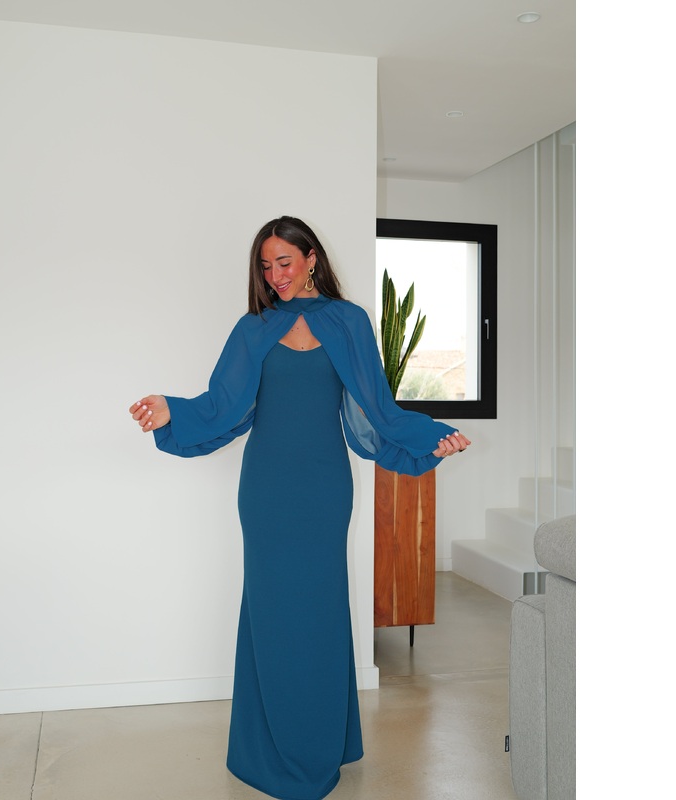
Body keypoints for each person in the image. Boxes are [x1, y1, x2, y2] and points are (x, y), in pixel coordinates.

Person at [129, 216, 470, 800]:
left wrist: (429, 438)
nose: (275, 276)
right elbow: (221, 407)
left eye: (284, 262)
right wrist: (170, 410)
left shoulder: (349, 321)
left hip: (324, 489)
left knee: (320, 610)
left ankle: (323, 742)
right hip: (266, 492)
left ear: (311, 258)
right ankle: (268, 747)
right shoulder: (253, 328)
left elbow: (378, 412)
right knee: (271, 611)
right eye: (266, 266)